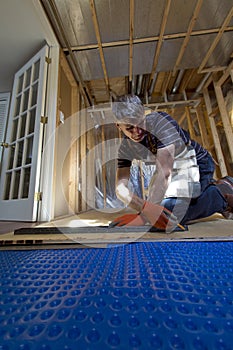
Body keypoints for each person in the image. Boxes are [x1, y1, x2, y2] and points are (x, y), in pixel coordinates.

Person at [110, 94, 233, 232]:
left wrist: (144, 217)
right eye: (130, 128)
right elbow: (120, 188)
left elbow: (164, 173)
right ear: (118, 126)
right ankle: (210, 191)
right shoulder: (125, 148)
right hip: (171, 169)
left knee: (172, 215)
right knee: (164, 212)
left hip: (198, 164)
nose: (137, 131)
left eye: (140, 124)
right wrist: (145, 208)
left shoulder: (161, 123)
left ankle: (222, 193)